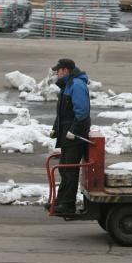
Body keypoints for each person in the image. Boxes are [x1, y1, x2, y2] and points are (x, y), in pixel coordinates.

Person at [50, 58, 91, 215]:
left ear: (66, 70)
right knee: (64, 169)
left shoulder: (77, 85)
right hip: (67, 134)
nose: (56, 73)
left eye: (58, 70)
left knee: (70, 170)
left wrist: (74, 130)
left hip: (75, 135)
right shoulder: (67, 85)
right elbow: (63, 112)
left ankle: (68, 205)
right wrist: (55, 128)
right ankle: (61, 201)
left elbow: (82, 111)